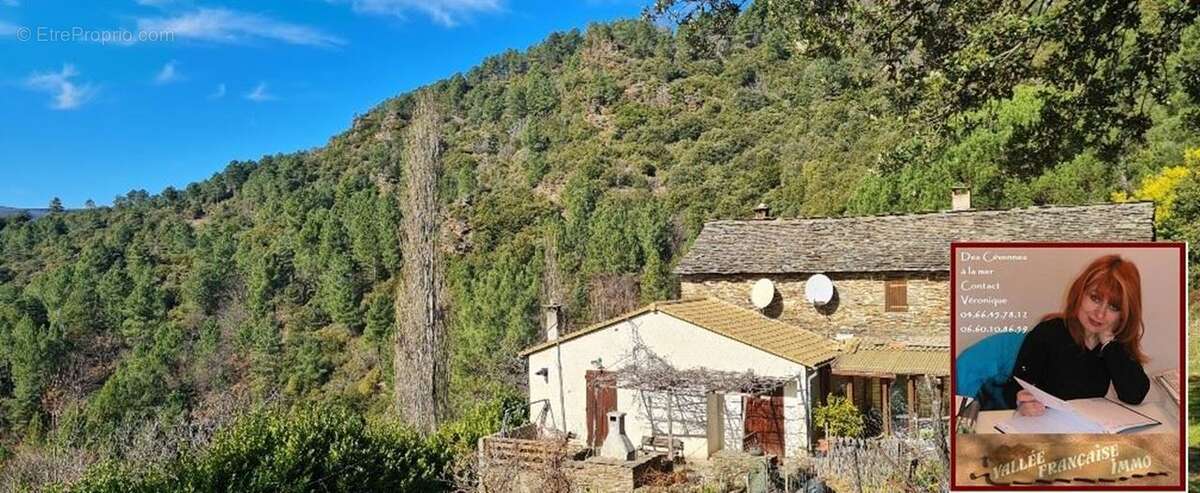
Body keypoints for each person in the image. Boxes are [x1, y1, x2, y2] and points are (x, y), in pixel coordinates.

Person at [1004, 254, 1150, 416]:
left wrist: (1110, 345)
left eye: (1113, 307)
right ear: (1079, 293)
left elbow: (1134, 395)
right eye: (1095, 298)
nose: (1100, 314)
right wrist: (1021, 402)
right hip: (1044, 421)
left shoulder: (1115, 345)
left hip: (1088, 425)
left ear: (1124, 315)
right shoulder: (1047, 333)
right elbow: (1014, 387)